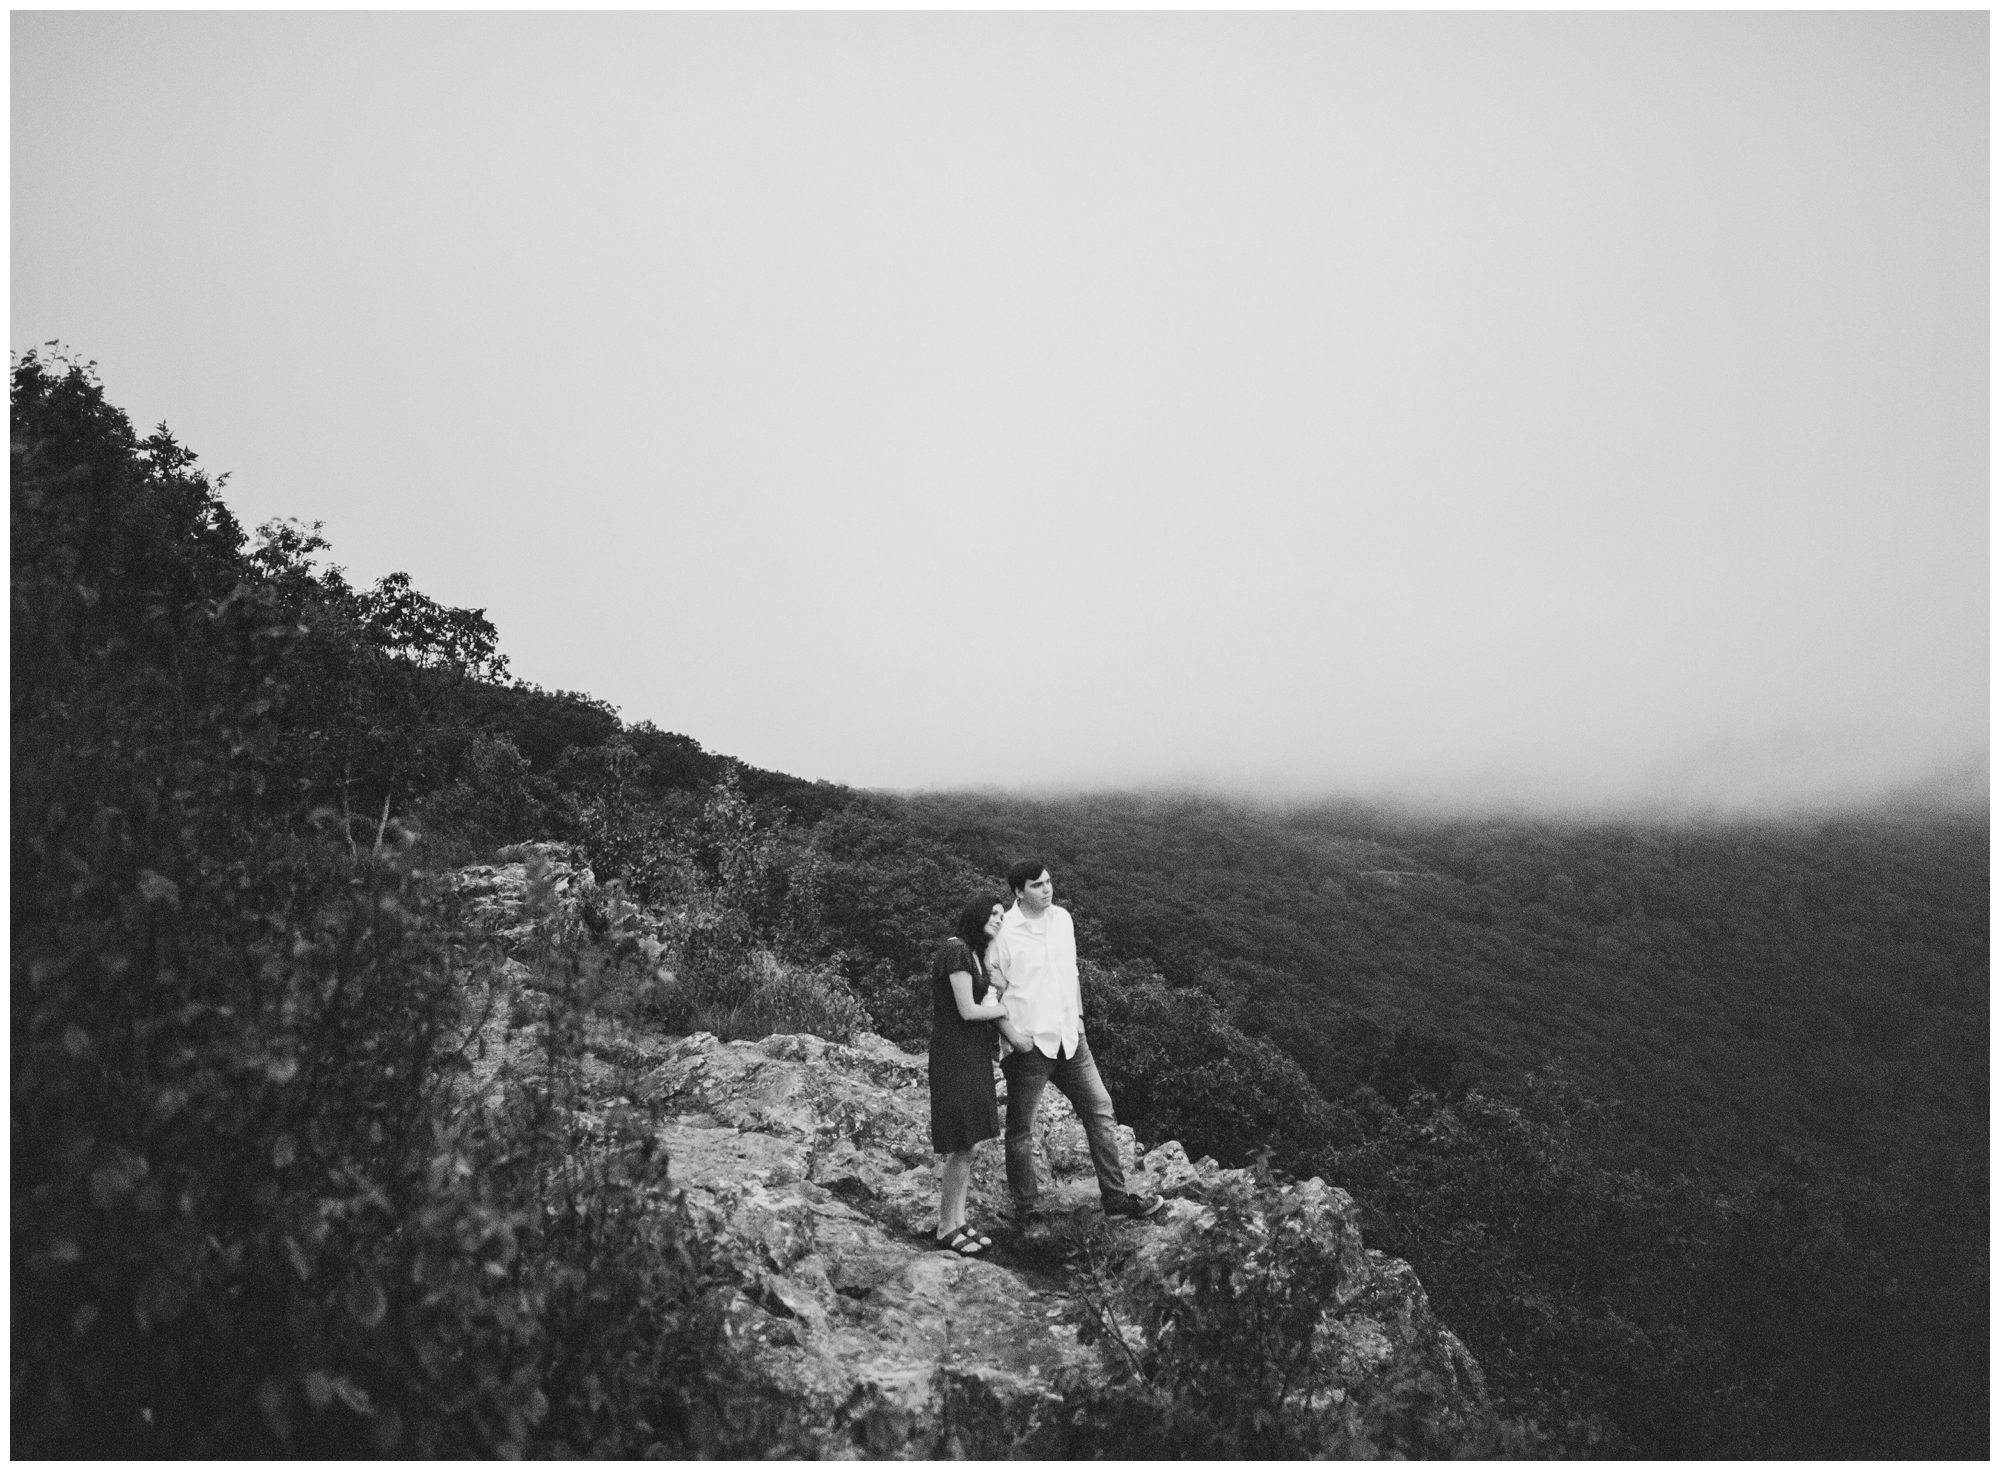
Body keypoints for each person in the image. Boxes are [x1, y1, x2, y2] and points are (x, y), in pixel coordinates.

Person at [987, 860, 1163, 1221]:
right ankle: (1028, 1212)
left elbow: (1072, 972)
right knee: (1022, 1130)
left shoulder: (1063, 920)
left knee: (1100, 1111)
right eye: (1037, 885)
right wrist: (1013, 1039)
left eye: (1049, 882)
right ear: (1019, 891)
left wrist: (1079, 1019)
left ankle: (1115, 1200)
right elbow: (990, 994)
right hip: (1029, 1045)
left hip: (1071, 1039)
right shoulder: (1004, 933)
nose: (1047, 889)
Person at [927, 894, 1032, 1255]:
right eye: (993, 913)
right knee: (963, 1143)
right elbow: (968, 1011)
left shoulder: (974, 954)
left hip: (972, 1054)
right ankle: (945, 1227)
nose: (998, 919)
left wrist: (997, 986)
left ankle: (958, 1221)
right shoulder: (956, 950)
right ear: (975, 913)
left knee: (970, 1143)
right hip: (953, 1055)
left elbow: (983, 998)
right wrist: (1002, 1007)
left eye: (1002, 916)